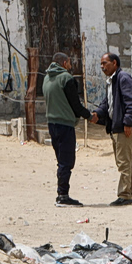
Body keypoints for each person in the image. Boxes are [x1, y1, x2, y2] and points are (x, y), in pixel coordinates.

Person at [90, 52, 132, 206]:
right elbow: (108, 103)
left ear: (114, 63)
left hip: (123, 127)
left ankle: (125, 195)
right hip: (117, 126)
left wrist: (128, 123)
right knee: (126, 161)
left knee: (123, 162)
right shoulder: (112, 81)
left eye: (105, 63)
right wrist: (97, 114)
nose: (102, 67)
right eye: (101, 64)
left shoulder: (123, 78)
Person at [41, 52, 92, 207]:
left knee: (61, 160)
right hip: (65, 124)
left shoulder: (46, 78)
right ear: (64, 63)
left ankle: (61, 193)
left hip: (52, 123)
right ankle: (63, 195)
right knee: (67, 161)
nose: (71, 65)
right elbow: (75, 105)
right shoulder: (66, 79)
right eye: (69, 62)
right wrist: (90, 116)